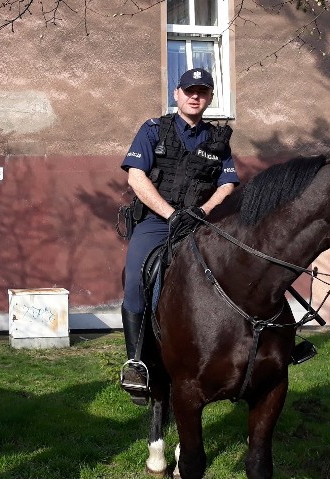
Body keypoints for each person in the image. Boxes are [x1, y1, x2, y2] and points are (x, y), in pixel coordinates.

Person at [119, 68, 240, 399]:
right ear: (177, 94)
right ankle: (137, 363)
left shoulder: (218, 140)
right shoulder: (153, 130)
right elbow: (136, 179)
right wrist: (171, 214)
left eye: (202, 91)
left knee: (237, 270)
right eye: (189, 90)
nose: (195, 96)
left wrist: (202, 211)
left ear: (210, 98)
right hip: (157, 222)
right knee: (134, 280)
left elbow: (227, 183)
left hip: (200, 222)